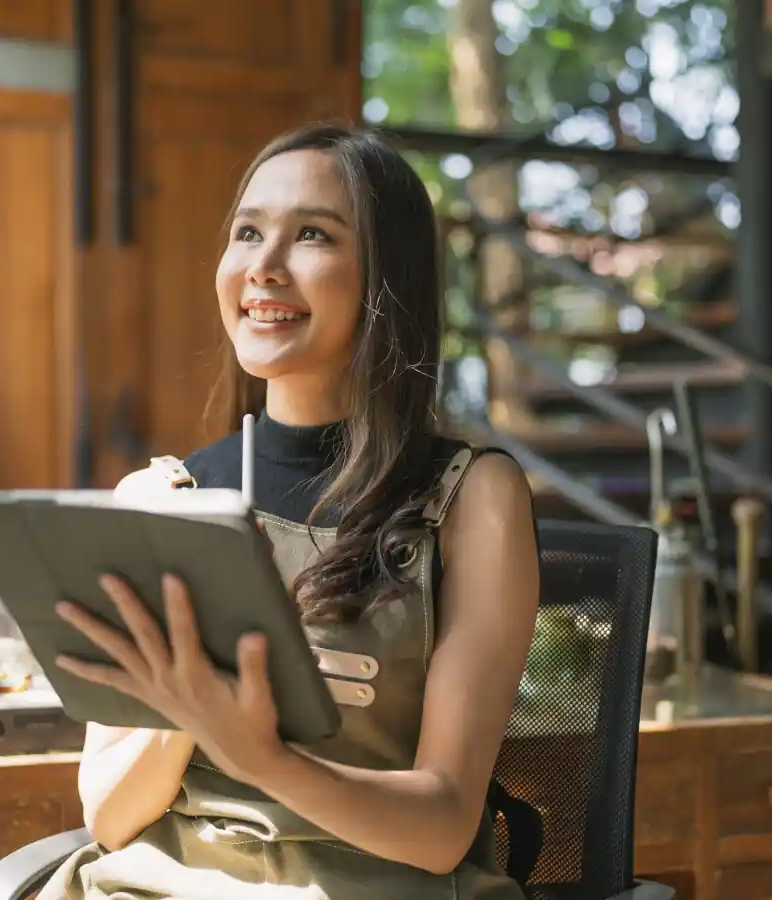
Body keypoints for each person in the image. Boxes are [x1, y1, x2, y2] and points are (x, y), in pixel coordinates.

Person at [43, 122, 540, 900]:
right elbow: (109, 814)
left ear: (385, 277)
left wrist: (264, 755)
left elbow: (443, 829)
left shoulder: (473, 498)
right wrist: (194, 697)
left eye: (312, 234)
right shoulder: (160, 497)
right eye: (247, 233)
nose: (262, 268)